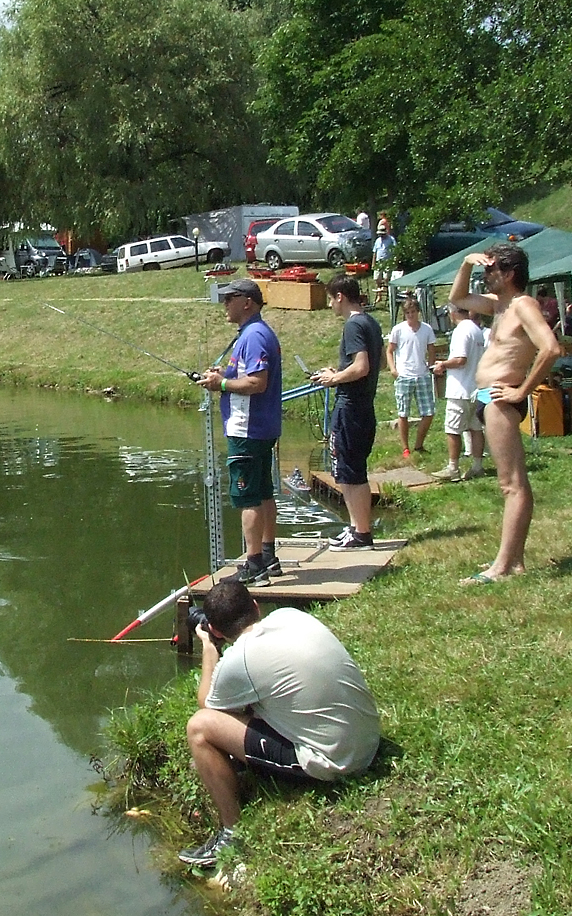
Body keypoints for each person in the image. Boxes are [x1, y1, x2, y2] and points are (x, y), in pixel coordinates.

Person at [179, 580, 380, 867]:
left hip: (338, 760)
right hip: (369, 737)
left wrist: (209, 652)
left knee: (199, 727)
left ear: (217, 631)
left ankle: (232, 834)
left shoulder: (240, 660)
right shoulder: (291, 616)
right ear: (256, 607)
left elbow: (208, 706)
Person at [449, 244, 562, 584]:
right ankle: (515, 561)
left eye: (491, 269)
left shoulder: (524, 305)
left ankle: (502, 566)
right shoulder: (500, 305)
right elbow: (458, 298)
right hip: (489, 396)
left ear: (509, 274)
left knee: (511, 485)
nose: (486, 274)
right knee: (512, 483)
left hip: (502, 398)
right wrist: (467, 262)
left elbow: (551, 348)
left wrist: (522, 390)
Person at [197, 278, 283, 584]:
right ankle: (269, 556)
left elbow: (257, 383)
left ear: (247, 302)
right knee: (263, 492)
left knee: (247, 496)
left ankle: (254, 563)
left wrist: (219, 384)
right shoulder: (252, 334)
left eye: (229, 298)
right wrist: (224, 375)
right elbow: (244, 375)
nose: (225, 303)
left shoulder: (254, 336)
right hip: (260, 427)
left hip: (248, 429)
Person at [313, 276, 383, 550]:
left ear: (340, 296)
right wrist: (337, 373)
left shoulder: (353, 324)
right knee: (353, 469)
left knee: (349, 470)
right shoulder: (370, 322)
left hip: (351, 407)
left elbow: (361, 367)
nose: (331, 304)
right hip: (363, 406)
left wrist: (334, 379)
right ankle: (357, 527)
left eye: (331, 298)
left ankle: (361, 534)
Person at [431, 304, 486, 481]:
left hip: (460, 388)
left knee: (453, 429)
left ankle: (453, 467)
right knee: (475, 428)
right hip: (476, 386)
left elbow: (461, 359)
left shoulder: (461, 330)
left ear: (453, 312)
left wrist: (443, 364)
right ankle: (477, 466)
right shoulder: (476, 329)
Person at [386, 297, 437, 458]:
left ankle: (419, 445)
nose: (410, 315)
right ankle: (405, 447)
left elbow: (432, 349)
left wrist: (430, 366)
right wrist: (393, 369)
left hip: (422, 374)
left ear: (418, 312)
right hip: (404, 375)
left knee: (428, 412)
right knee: (403, 413)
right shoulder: (398, 329)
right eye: (407, 313)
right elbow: (389, 350)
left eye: (413, 312)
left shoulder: (426, 329)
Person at [371, 220, 396, 305]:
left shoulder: (391, 239)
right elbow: (375, 252)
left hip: (388, 262)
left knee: (386, 278)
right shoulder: (377, 240)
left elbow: (395, 250)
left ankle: (389, 294)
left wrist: (395, 260)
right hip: (379, 262)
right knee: (377, 278)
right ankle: (379, 295)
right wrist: (373, 263)